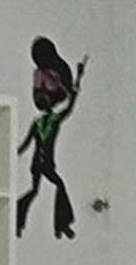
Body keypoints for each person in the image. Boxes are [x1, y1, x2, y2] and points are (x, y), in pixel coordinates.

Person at [15, 37, 86, 239]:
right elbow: (27, 142)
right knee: (37, 190)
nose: (42, 97)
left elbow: (69, 106)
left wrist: (78, 80)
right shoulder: (38, 122)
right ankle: (20, 221)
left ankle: (60, 225)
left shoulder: (54, 120)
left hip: (46, 164)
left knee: (52, 187)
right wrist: (14, 153)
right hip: (39, 164)